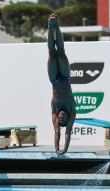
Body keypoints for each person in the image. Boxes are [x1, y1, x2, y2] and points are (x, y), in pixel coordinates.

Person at [47, 14, 76, 156]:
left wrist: (56, 149)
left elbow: (57, 131)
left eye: (60, 119)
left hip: (54, 80)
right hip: (64, 78)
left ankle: (49, 27)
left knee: (52, 54)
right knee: (61, 53)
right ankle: (57, 26)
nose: (61, 118)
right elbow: (67, 132)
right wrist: (65, 148)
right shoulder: (72, 108)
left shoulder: (54, 110)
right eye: (63, 119)